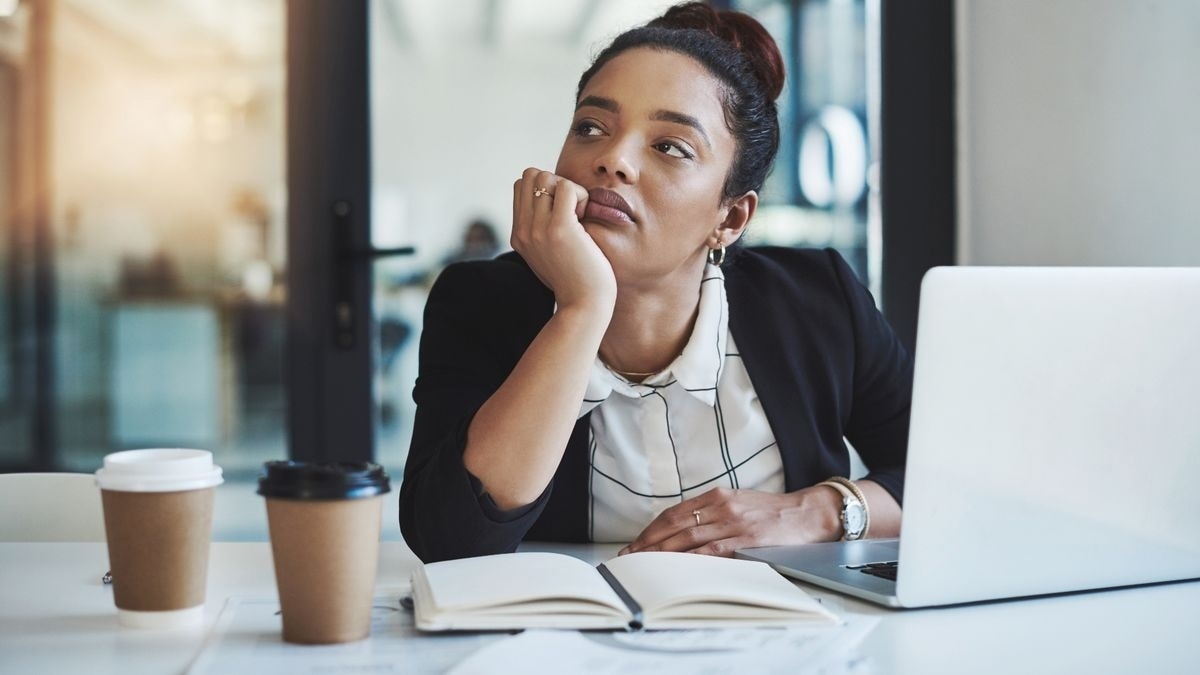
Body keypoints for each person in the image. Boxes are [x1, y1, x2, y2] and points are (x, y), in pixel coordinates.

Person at [399, 2, 912, 563]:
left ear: (730, 218)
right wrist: (581, 308)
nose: (612, 159)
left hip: (790, 613)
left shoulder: (819, 297)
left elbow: (946, 480)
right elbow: (449, 540)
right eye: (591, 128)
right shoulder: (479, 301)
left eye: (670, 146)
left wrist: (817, 511)